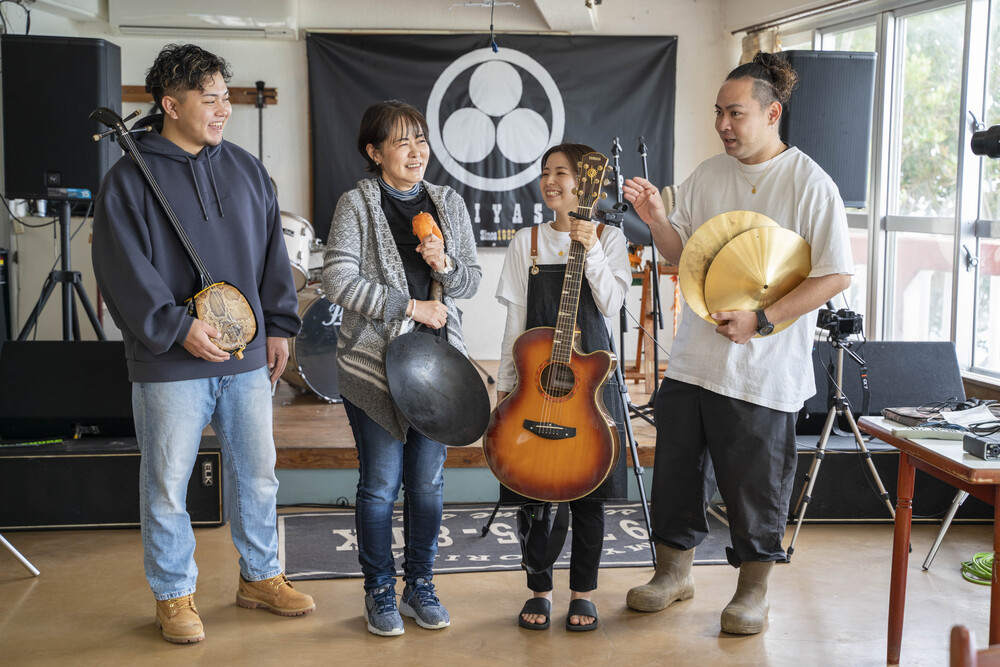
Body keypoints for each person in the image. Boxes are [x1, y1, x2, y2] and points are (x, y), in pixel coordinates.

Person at [621, 51, 853, 634]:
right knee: (676, 476)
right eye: (718, 113)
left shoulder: (810, 183)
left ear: (772, 113)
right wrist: (656, 218)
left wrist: (763, 320)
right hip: (693, 361)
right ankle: (672, 575)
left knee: (756, 487)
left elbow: (835, 275)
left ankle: (754, 592)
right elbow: (683, 258)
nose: (723, 124)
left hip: (762, 370)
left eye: (735, 113)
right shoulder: (708, 174)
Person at [91, 45, 314, 644]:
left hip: (245, 357)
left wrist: (279, 326)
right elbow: (120, 268)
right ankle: (173, 594)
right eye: (209, 99)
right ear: (170, 105)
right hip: (169, 360)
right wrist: (176, 326)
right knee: (168, 483)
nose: (222, 110)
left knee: (258, 473)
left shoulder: (246, 169)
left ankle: (260, 577)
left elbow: (272, 255)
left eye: (225, 98)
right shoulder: (128, 178)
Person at [322, 100, 481, 637]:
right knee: (379, 484)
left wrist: (445, 264)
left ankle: (420, 586)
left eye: (421, 140)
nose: (416, 152)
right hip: (374, 363)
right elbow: (337, 281)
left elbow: (470, 283)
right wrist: (411, 306)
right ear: (375, 152)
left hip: (437, 366)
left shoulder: (448, 203)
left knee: (428, 484)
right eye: (401, 142)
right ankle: (379, 591)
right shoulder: (355, 204)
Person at [494, 143, 631, 632]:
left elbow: (611, 304)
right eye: (545, 173)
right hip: (536, 386)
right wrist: (505, 389)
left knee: (589, 493)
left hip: (589, 386)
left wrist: (589, 247)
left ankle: (583, 593)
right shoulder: (526, 242)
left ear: (586, 185)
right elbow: (514, 323)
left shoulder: (612, 238)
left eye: (562, 173)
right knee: (532, 491)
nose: (550, 181)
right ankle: (539, 589)